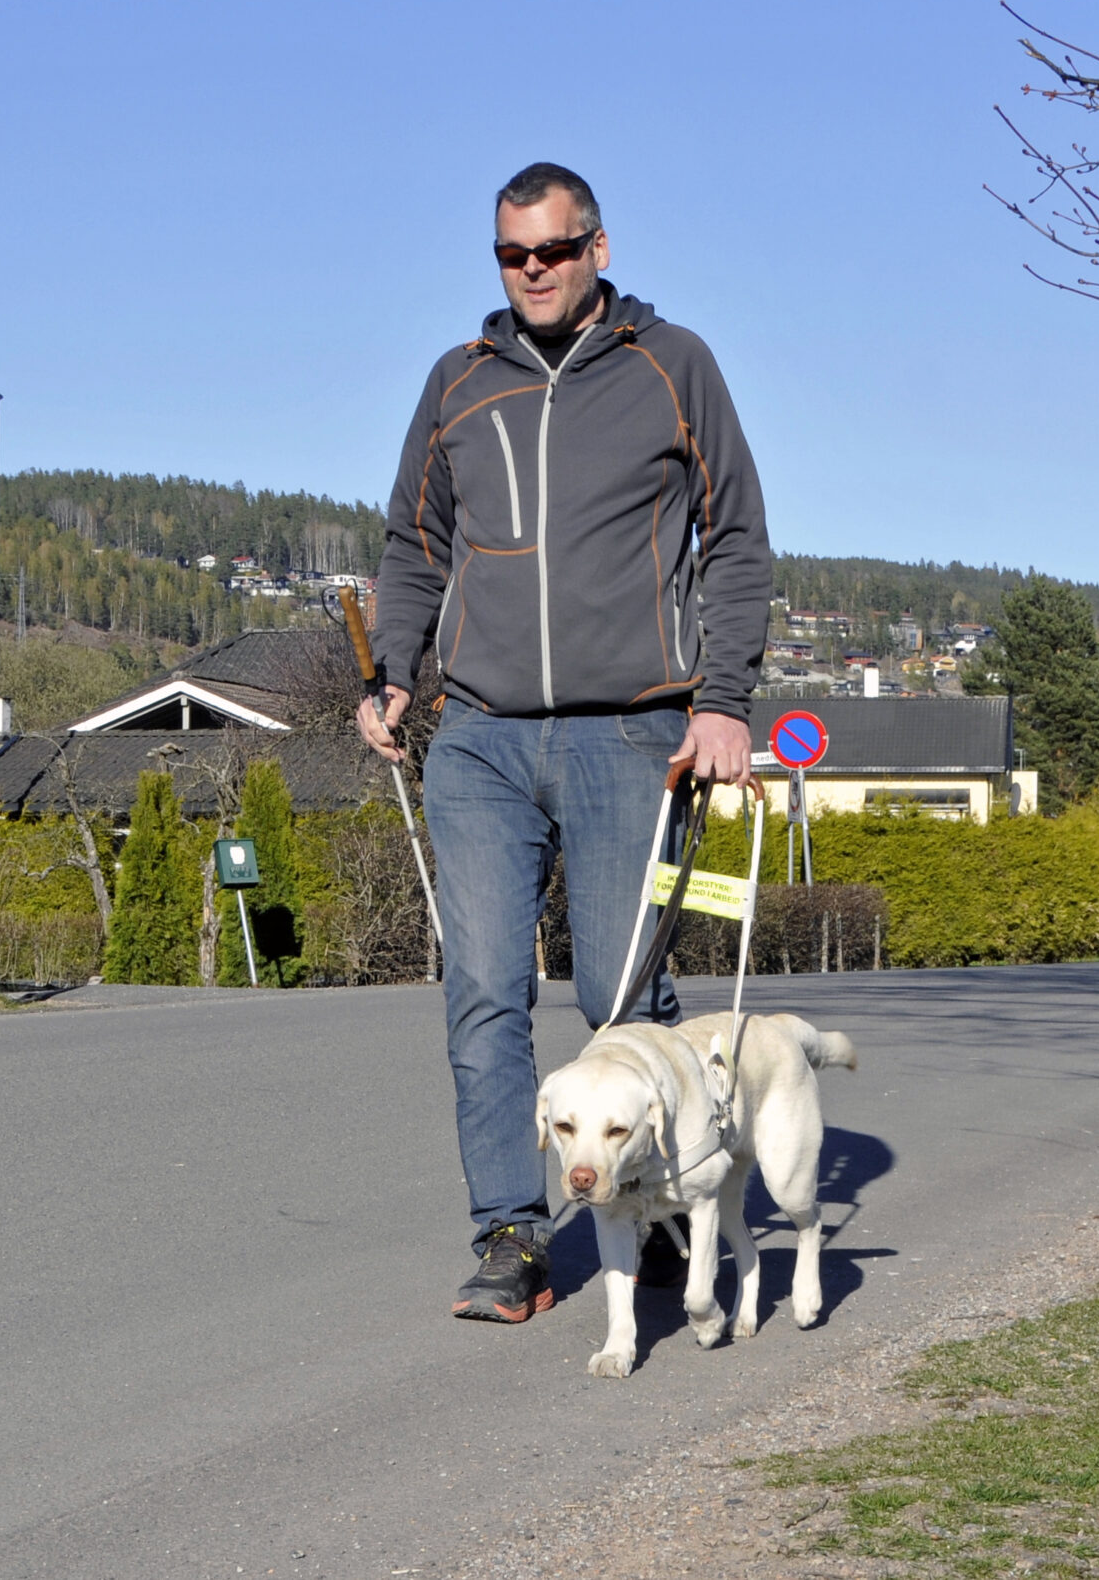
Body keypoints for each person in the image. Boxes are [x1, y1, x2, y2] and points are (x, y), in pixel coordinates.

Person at [362, 162, 772, 1325]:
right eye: (511, 253)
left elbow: (736, 537)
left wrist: (725, 700)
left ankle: (656, 1195)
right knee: (483, 992)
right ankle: (509, 1233)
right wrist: (395, 670)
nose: (531, 269)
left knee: (618, 993)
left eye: (552, 248)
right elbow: (413, 543)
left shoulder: (671, 364)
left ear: (597, 247)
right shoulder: (459, 382)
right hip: (482, 738)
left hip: (631, 733)